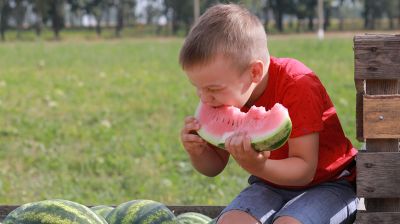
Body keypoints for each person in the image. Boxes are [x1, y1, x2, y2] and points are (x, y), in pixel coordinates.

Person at [179, 3, 358, 224]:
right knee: (232, 221)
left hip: (330, 184)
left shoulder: (297, 83)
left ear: (254, 72)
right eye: (197, 87)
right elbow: (214, 167)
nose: (204, 99)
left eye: (213, 89)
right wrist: (198, 153)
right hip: (268, 184)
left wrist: (259, 166)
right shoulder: (228, 93)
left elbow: (305, 170)